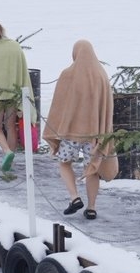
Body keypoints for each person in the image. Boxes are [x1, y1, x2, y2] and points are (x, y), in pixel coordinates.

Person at [43, 39, 118, 220]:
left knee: (64, 163)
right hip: (95, 135)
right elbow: (107, 107)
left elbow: (59, 105)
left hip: (71, 134)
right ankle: (91, 208)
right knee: (92, 169)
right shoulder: (101, 75)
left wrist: (56, 128)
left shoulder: (68, 74)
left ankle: (74, 197)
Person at [0, 21, 35, 172]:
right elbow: (22, 70)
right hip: (12, 92)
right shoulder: (14, 47)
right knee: (10, 127)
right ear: (1, 30)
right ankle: (10, 159)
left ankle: (7, 152)